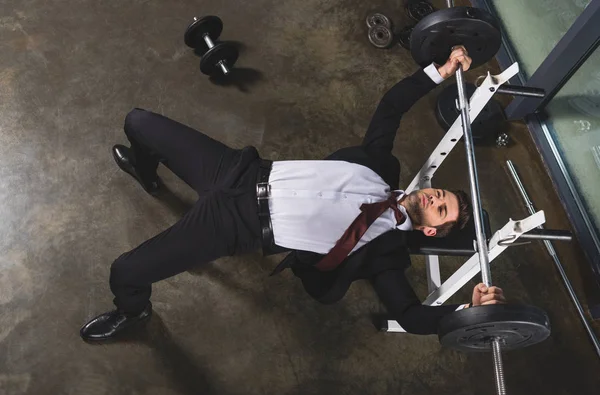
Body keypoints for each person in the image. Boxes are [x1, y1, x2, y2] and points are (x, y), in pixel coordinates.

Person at [80, 46, 506, 341]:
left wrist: (466, 313)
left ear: (430, 232)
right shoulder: (381, 167)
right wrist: (439, 71)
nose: (434, 198)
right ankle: (145, 167)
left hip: (237, 226)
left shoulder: (387, 256)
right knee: (138, 121)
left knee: (125, 272)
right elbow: (391, 107)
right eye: (441, 194)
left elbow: (411, 317)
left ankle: (134, 312)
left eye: (441, 209)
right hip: (240, 170)